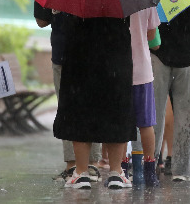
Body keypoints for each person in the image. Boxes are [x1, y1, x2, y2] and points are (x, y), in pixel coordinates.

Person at [54, 15, 136, 189]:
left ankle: (81, 172)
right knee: (116, 107)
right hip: (116, 46)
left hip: (80, 47)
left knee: (80, 107)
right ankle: (116, 172)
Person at [34, 3, 101, 183]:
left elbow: (41, 21)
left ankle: (73, 165)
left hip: (64, 52)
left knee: (68, 109)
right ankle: (92, 163)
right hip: (96, 52)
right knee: (93, 105)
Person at [152, 0, 190, 181]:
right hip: (189, 55)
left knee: (153, 115)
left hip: (158, 52)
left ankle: (148, 164)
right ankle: (183, 170)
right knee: (188, 114)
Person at [122, 7, 161, 187]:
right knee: (146, 123)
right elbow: (152, 34)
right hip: (142, 70)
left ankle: (121, 169)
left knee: (119, 122)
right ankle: (150, 169)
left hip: (118, 69)